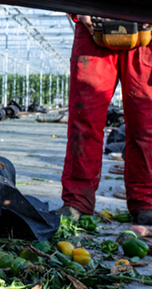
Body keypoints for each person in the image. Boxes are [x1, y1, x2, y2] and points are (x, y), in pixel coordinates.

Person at [54, 14, 152, 225]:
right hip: (94, 26)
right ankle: (77, 201)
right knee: (84, 119)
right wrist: (79, 10)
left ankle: (146, 201)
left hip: (146, 31)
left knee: (146, 123)